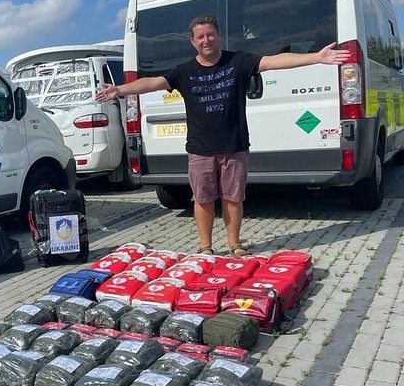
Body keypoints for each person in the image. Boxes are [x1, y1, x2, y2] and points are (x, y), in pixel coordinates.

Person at [95, 15, 350, 256]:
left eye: (210, 34)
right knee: (203, 199)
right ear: (193, 42)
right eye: (200, 37)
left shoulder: (238, 62)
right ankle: (205, 246)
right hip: (200, 149)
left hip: (234, 145)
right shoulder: (185, 71)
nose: (206, 40)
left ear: (218, 36)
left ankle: (234, 243)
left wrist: (316, 57)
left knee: (233, 197)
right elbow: (152, 83)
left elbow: (273, 62)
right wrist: (119, 89)